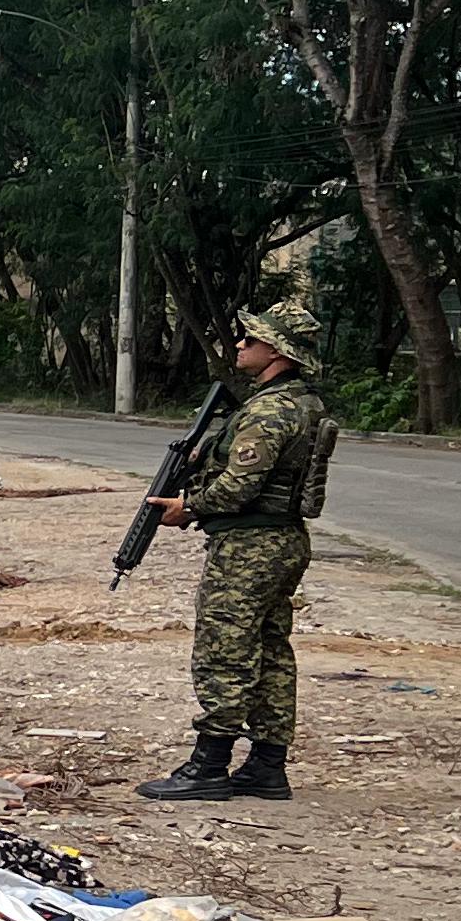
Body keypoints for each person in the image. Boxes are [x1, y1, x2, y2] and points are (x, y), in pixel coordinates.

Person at [136, 300, 338, 803]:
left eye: (251, 340)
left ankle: (210, 764)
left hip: (251, 544)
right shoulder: (301, 403)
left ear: (277, 352)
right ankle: (267, 766)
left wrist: (189, 506)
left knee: (225, 649)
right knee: (270, 651)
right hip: (280, 540)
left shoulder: (270, 410)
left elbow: (237, 488)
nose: (241, 345)